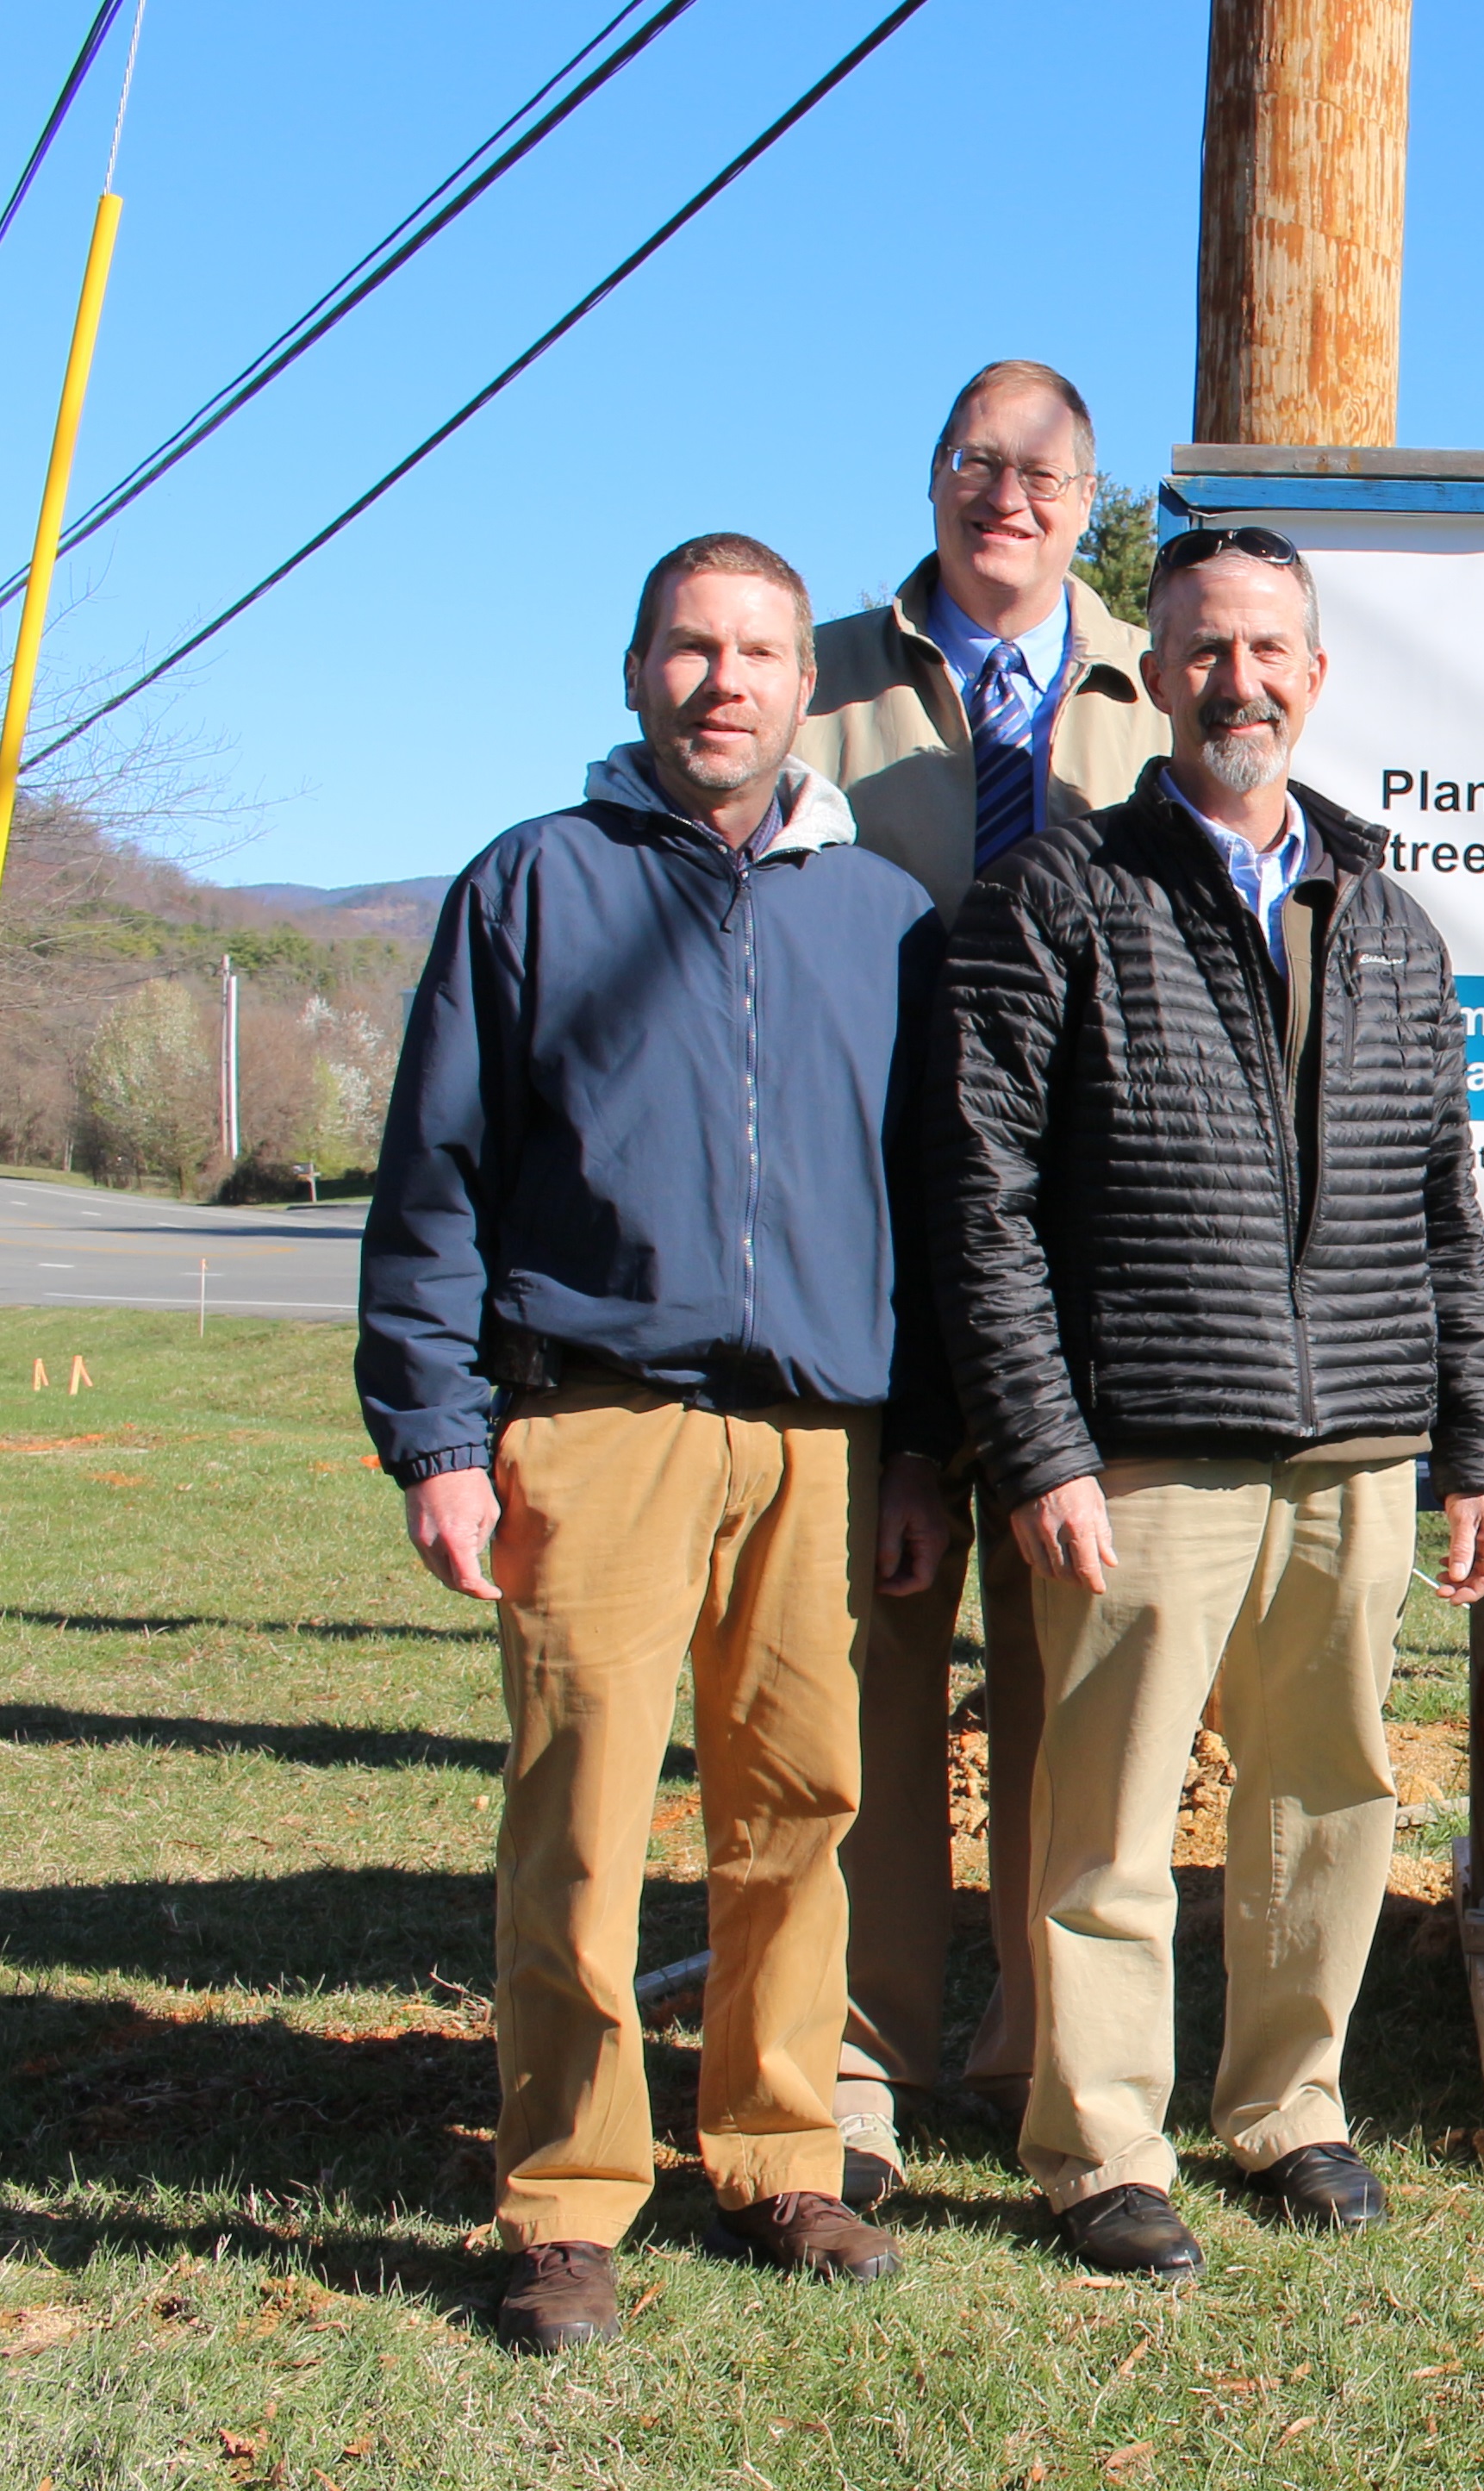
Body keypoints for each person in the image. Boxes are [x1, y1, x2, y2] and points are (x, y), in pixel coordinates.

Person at [359, 534, 954, 2351]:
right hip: (592, 1417)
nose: (724, 681)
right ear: (636, 672)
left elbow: (931, 1211)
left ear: (805, 687)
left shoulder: (883, 918)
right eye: (691, 648)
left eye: (758, 651)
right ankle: (564, 2196)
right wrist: (437, 1435)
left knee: (802, 1810)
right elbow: (434, 1178)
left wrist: (921, 1450)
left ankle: (779, 2147)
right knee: (583, 1817)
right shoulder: (534, 882)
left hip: (819, 1437)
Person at [939, 524, 1484, 2277]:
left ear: (1315, 676)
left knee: (1327, 1796)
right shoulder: (1057, 896)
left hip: (1355, 1443)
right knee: (1110, 1817)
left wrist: (1478, 1446)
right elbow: (982, 1200)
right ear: (1154, 675)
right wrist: (1039, 1444)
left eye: (1268, 650)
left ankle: (1289, 2104)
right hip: (1143, 1450)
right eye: (1203, 649)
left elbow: (1444, 1204)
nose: (1237, 682)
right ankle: (1099, 2143)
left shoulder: (1390, 922)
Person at [795, 359, 1170, 2205]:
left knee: (1061, 1673)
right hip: (859, 1247)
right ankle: (852, 2062)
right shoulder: (816, 685)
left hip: (1073, 1272)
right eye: (973, 461)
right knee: (859, 1668)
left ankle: (1035, 2047)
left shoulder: (1155, 693)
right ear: (931, 478)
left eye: (1043, 471)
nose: (1004, 495)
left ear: (1088, 498)